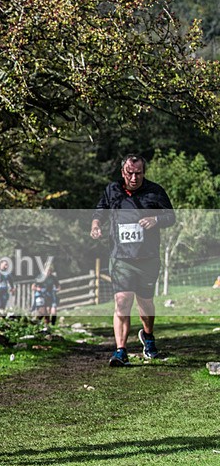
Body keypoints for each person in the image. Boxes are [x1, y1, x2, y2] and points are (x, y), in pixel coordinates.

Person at [91, 154, 175, 366]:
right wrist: (95, 224)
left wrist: (155, 219)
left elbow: (171, 216)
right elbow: (100, 209)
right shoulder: (113, 190)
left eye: (138, 173)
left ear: (143, 173)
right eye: (130, 173)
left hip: (147, 258)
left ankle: (148, 336)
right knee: (122, 301)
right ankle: (120, 351)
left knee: (145, 302)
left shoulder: (155, 191)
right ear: (123, 172)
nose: (134, 177)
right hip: (121, 259)